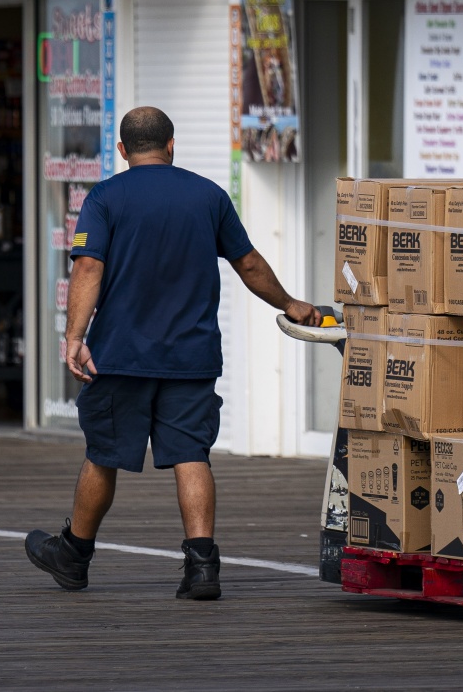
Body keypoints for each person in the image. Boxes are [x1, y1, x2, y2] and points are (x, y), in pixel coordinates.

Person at [24, 105, 317, 601]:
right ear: (171, 145)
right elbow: (247, 262)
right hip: (191, 355)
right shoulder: (207, 195)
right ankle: (202, 568)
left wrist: (74, 336)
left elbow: (88, 269)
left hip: (121, 355)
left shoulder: (105, 197)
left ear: (122, 151)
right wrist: (290, 303)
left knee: (104, 455)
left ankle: (74, 555)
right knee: (190, 455)